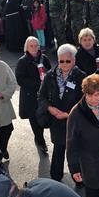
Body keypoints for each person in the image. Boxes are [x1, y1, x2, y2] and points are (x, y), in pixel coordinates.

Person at [37, 43, 85, 182]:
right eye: (61, 61)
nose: (64, 64)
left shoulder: (81, 77)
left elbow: (86, 101)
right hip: (56, 121)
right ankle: (55, 178)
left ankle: (79, 178)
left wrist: (69, 113)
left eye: (67, 61)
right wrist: (49, 108)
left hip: (75, 121)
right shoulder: (50, 76)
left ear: (74, 60)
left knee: (76, 151)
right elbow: (41, 96)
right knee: (59, 148)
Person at [15, 36, 52, 153]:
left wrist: (47, 81)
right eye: (31, 46)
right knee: (34, 120)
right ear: (27, 47)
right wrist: (38, 84)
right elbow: (20, 80)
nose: (34, 48)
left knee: (43, 117)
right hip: (30, 96)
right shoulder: (22, 61)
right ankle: (40, 141)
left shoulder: (44, 58)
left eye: (36, 45)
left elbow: (51, 72)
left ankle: (39, 137)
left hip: (44, 95)